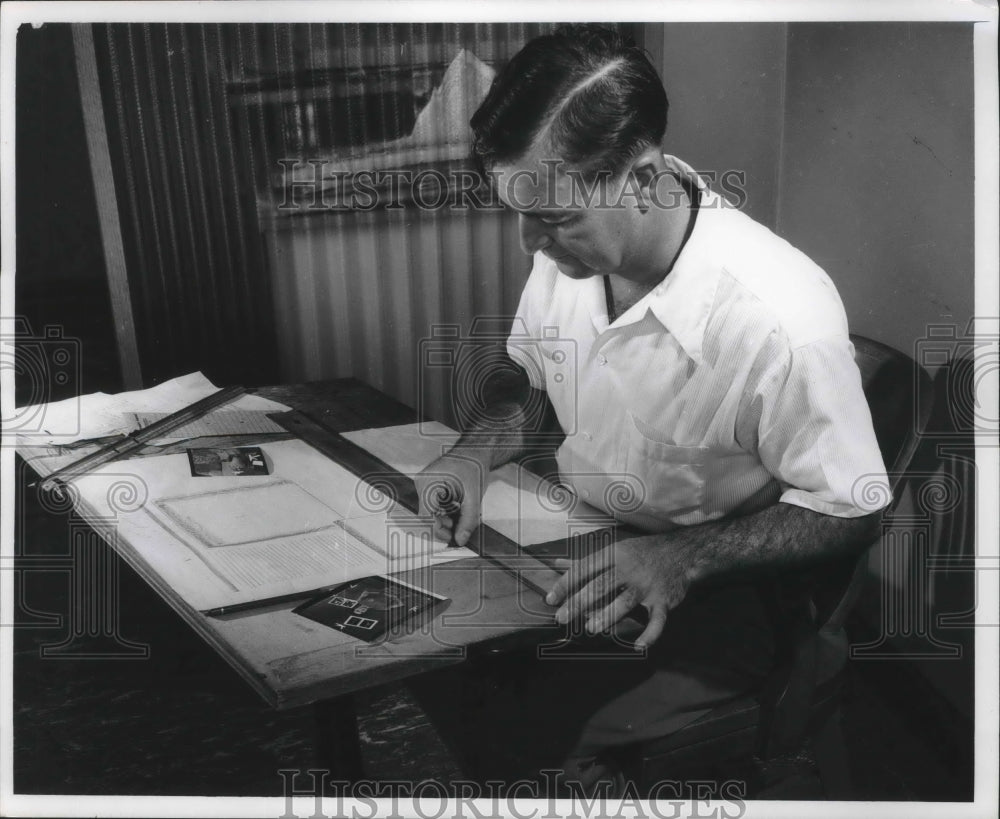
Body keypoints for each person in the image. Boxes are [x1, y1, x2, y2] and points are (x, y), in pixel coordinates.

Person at [411, 24, 891, 793]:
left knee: (521, 733)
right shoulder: (567, 253)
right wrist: (474, 452)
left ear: (639, 179)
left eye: (556, 219)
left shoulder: (779, 319)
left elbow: (855, 508)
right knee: (436, 666)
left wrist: (681, 558)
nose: (530, 245)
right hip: (580, 543)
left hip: (713, 594)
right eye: (520, 215)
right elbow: (528, 377)